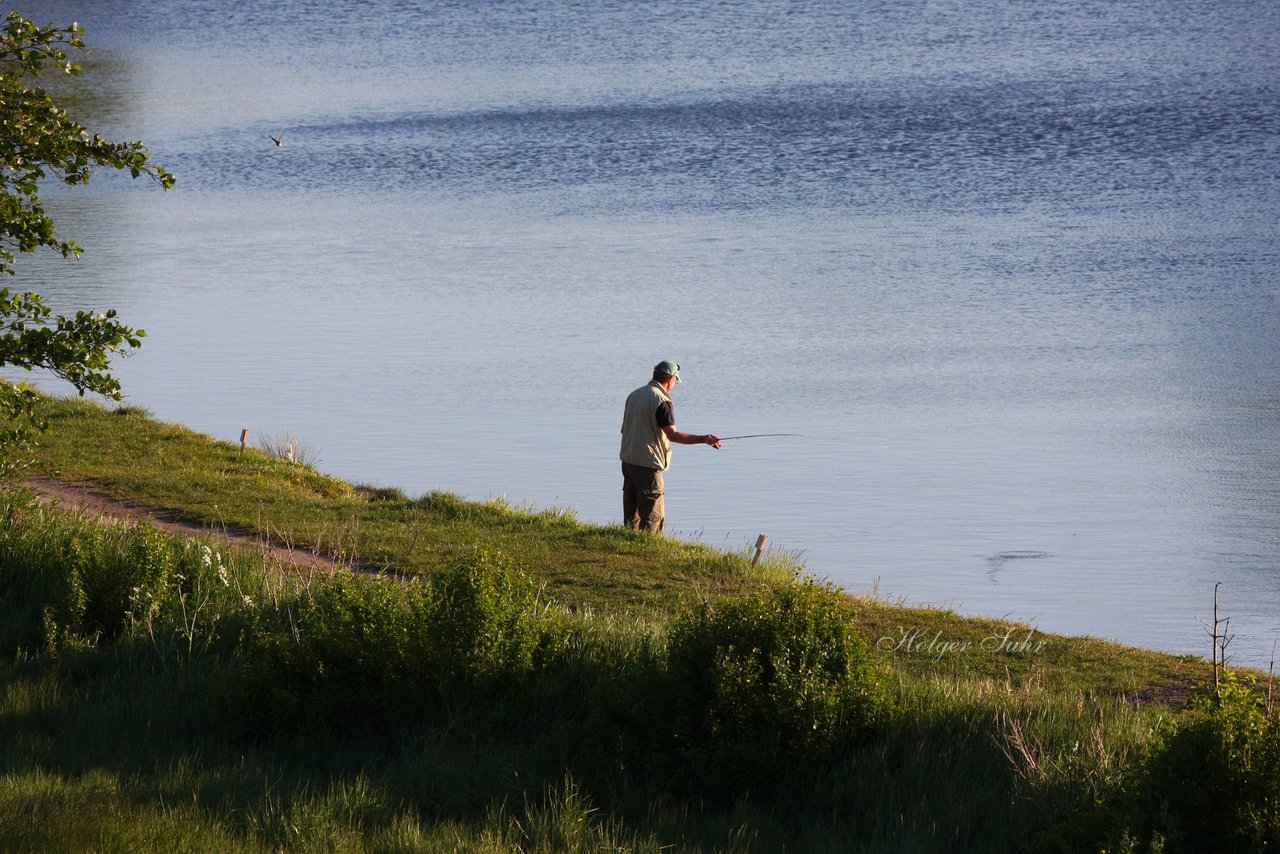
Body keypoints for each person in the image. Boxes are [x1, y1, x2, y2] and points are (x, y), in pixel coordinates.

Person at [619, 360, 720, 533]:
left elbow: (623, 429)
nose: (675, 384)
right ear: (669, 378)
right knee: (653, 515)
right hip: (648, 466)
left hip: (628, 462)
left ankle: (629, 545)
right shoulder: (661, 400)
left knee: (631, 514)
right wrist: (704, 439)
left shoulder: (634, 395)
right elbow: (673, 435)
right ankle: (648, 552)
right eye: (675, 380)